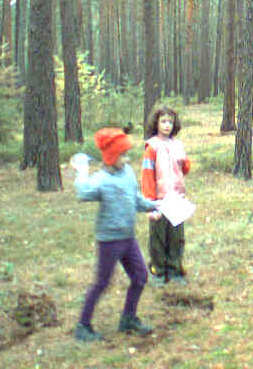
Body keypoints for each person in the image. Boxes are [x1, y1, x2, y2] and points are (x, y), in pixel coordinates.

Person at [72, 127, 162, 342]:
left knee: (140, 276)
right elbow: (83, 192)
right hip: (110, 241)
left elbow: (136, 200)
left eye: (126, 154)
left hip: (128, 238)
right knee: (102, 283)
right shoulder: (101, 180)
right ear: (111, 157)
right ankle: (83, 326)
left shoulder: (128, 173)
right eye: (122, 155)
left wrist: (156, 205)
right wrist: (82, 171)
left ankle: (128, 319)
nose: (126, 159)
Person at [141, 105, 191, 286]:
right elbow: (147, 175)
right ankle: (158, 271)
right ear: (156, 123)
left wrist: (185, 161)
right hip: (159, 200)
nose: (167, 125)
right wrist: (149, 202)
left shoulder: (177, 145)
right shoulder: (152, 147)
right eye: (163, 121)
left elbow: (185, 169)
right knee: (158, 237)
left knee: (176, 236)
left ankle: (175, 269)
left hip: (176, 198)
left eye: (170, 122)